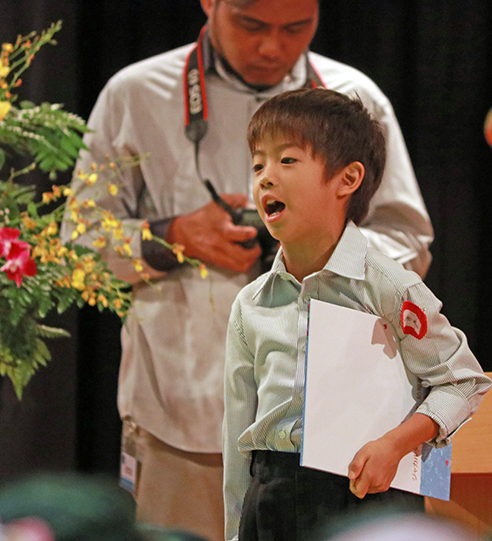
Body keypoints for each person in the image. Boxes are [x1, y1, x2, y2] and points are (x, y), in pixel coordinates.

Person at [62, 1, 433, 539]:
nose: (272, 47)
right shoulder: (136, 93)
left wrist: (321, 246)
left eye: (296, 28)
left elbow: (409, 242)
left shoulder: (356, 96)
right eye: (252, 25)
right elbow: (79, 245)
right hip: (179, 416)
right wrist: (172, 237)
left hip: (333, 431)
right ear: (210, 3)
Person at [223, 87, 492, 541]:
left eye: (287, 161)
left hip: (363, 493)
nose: (265, 177)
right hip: (271, 497)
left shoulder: (388, 284)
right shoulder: (251, 302)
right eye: (257, 164)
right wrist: (233, 530)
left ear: (347, 179)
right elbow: (236, 429)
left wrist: (395, 444)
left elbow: (463, 381)